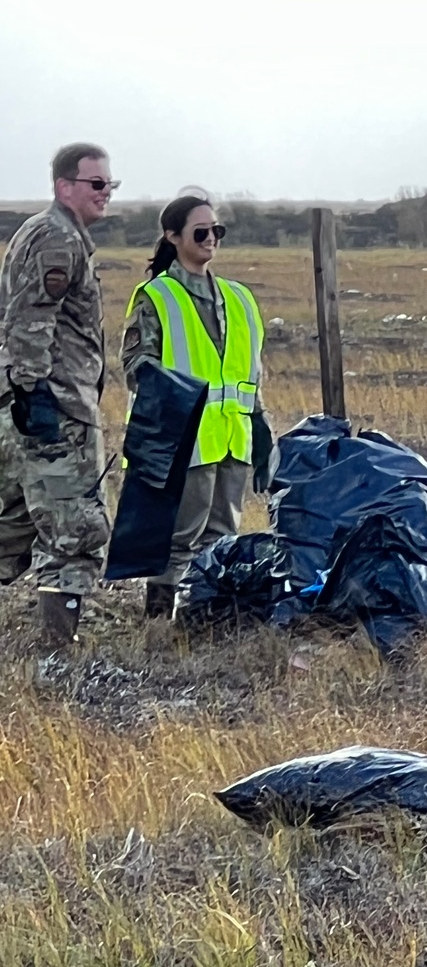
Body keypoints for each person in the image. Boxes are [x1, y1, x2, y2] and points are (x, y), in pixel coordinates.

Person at [121, 195, 273, 617]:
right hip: (183, 442)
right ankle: (157, 622)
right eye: (201, 232)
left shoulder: (239, 298)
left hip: (232, 440)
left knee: (223, 536)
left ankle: (205, 614)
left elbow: (250, 372)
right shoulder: (157, 296)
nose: (211, 240)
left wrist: (260, 425)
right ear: (173, 236)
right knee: (179, 537)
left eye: (216, 232)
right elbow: (136, 368)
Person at [0, 142, 115, 643]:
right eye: (95, 184)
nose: (105, 193)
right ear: (64, 186)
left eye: (110, 185)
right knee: (75, 534)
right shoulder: (56, 237)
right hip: (55, 410)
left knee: (12, 529)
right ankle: (55, 658)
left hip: (31, 406)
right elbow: (29, 320)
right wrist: (34, 396)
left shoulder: (49, 232)